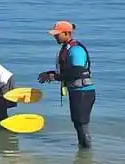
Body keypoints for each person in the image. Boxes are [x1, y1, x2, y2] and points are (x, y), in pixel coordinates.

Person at [38, 20, 95, 148]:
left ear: (67, 33)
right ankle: (83, 153)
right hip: (77, 91)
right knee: (77, 122)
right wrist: (50, 74)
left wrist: (55, 77)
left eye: (57, 34)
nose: (55, 36)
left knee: (81, 123)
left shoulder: (76, 50)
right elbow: (68, 72)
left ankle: (86, 153)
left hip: (83, 92)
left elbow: (77, 71)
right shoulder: (67, 48)